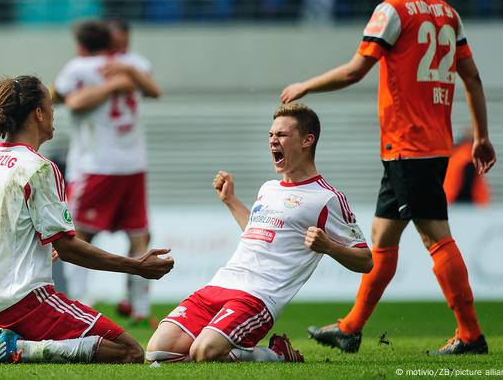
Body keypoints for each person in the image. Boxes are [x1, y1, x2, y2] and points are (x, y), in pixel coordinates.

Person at [0, 75, 173, 365]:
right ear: (38, 113)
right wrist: (136, 266)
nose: (54, 114)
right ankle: (19, 351)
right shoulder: (39, 167)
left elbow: (1, 233)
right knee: (129, 351)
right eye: (50, 106)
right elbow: (69, 248)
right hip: (25, 301)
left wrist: (38, 249)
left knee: (43, 334)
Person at [280, 0, 496, 355]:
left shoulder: (392, 11)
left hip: (409, 146)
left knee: (434, 235)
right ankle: (351, 328)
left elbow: (354, 72)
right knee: (382, 236)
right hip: (428, 144)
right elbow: (472, 78)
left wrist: (306, 86)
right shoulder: (448, 13)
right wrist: (481, 136)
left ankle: (471, 334)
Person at [144, 103, 373, 364]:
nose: (273, 140)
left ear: (307, 141)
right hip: (220, 284)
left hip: (259, 297)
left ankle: (277, 354)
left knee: (204, 352)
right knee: (156, 352)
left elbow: (365, 260)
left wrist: (329, 246)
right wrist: (230, 200)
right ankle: (225, 351)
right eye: (271, 135)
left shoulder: (327, 198)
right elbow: (257, 231)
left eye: (282, 135)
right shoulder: (269, 188)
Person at [52, 20, 162, 326]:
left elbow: (64, 99)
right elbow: (154, 91)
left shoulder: (80, 68)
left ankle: (80, 303)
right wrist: (124, 80)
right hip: (133, 164)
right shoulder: (136, 64)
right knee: (138, 235)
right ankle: (139, 307)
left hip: (97, 166)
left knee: (76, 234)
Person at [444, 130, 491, 206]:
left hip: (449, 200)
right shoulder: (469, 157)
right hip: (467, 205)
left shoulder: (455, 154)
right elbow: (466, 187)